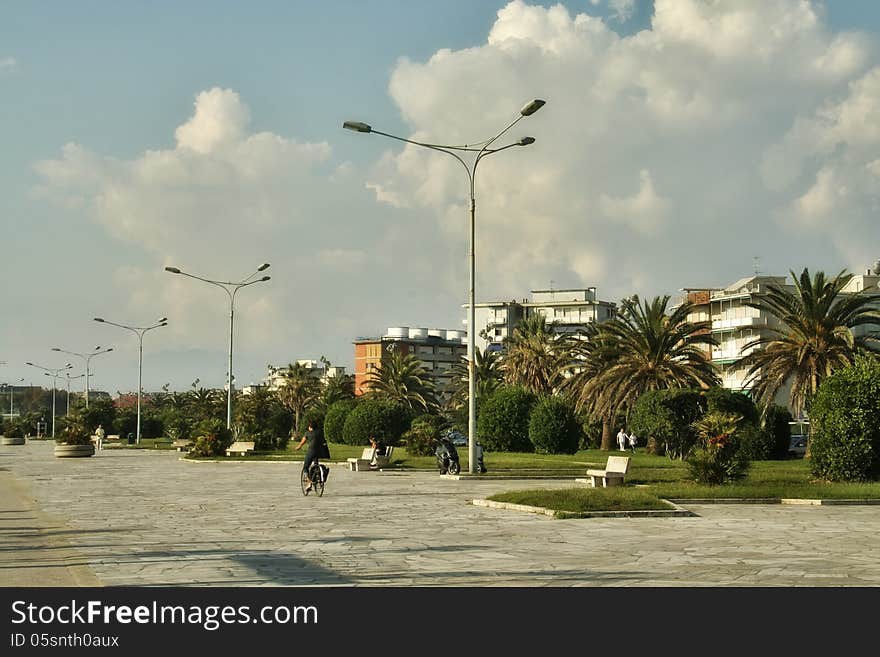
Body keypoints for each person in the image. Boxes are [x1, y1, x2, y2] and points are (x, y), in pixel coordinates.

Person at [295, 423, 320, 492]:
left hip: (311, 451)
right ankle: (317, 476)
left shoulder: (308, 433)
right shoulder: (320, 432)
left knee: (305, 467)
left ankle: (309, 483)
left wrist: (298, 447)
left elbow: (303, 441)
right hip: (320, 452)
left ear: (310, 427)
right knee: (316, 465)